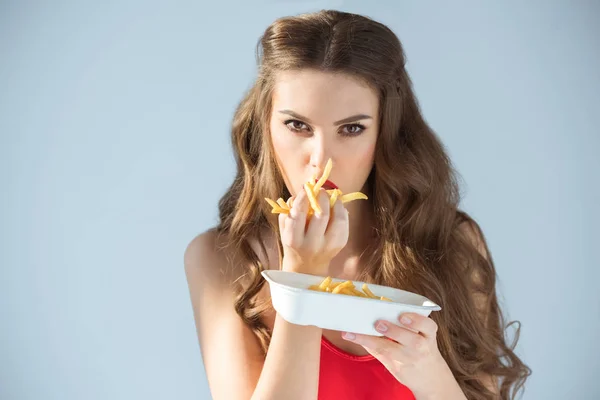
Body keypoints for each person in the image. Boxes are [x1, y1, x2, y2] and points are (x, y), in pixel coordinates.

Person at [184, 9, 531, 400]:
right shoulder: (221, 257)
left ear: (385, 132)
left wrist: (431, 373)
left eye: (351, 129)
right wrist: (303, 276)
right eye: (297, 126)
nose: (320, 159)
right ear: (265, 124)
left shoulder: (450, 241)